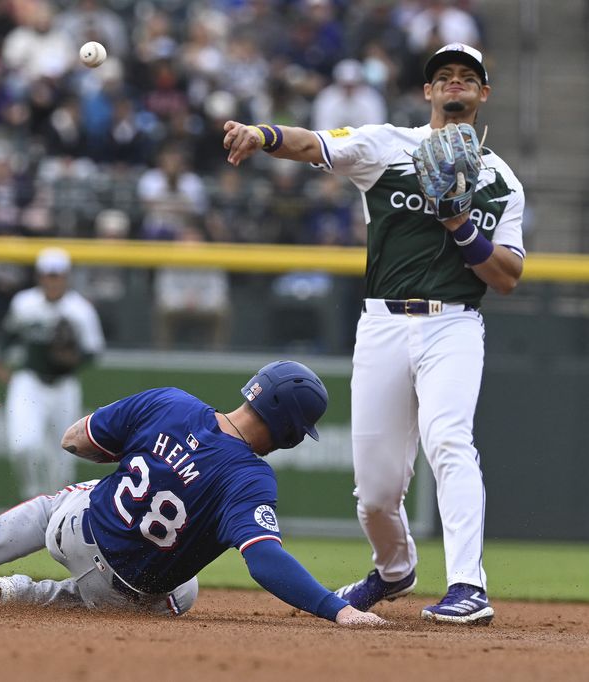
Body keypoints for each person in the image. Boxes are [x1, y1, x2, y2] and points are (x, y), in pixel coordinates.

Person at [222, 43, 526, 625]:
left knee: (449, 441)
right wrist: (262, 134)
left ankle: (469, 585)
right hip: (383, 323)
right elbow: (315, 143)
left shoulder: (502, 180)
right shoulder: (391, 144)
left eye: (467, 78)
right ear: (429, 92)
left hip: (454, 324)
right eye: (445, 78)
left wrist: (460, 225)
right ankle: (394, 570)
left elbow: (508, 276)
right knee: (376, 492)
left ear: (483, 94)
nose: (455, 85)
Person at [0, 360, 384, 627]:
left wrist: (150, 457)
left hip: (74, 531)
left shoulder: (171, 402)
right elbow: (265, 562)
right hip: (123, 593)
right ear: (292, 432)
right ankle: (17, 594)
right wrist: (336, 610)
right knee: (180, 592)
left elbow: (73, 438)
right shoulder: (250, 479)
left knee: (56, 503)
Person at [0, 247, 105, 499]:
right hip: (29, 381)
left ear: (66, 276)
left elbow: (94, 350)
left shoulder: (80, 310)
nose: (53, 280)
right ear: (40, 276)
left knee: (63, 461)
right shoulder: (24, 302)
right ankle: (31, 495)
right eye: (48, 274)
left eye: (57, 275)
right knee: (23, 445)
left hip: (64, 385)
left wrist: (71, 360)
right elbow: (8, 336)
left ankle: (54, 510)